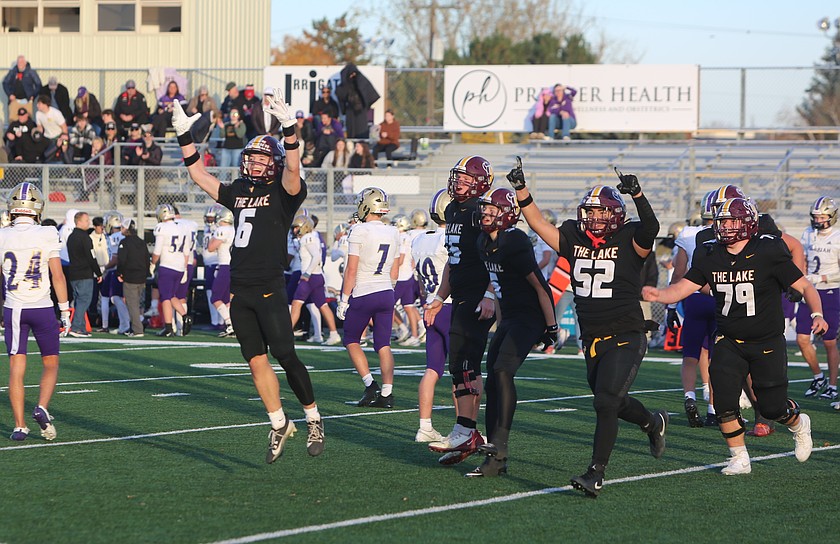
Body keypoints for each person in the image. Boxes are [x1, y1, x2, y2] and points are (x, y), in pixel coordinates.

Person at [170, 90, 325, 460]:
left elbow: (292, 170)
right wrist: (183, 135)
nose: (254, 164)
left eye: (260, 159)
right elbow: (197, 174)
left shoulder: (285, 191)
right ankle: (278, 423)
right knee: (256, 360)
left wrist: (290, 132)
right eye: (250, 158)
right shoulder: (239, 191)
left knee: (286, 355)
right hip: (241, 290)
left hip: (270, 287)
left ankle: (313, 417)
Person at [509, 160, 668, 497]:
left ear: (617, 216)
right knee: (611, 401)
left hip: (627, 333)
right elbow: (537, 222)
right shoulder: (573, 237)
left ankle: (596, 472)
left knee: (607, 401)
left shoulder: (630, 239)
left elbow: (651, 227)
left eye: (602, 214)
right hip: (593, 337)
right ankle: (653, 422)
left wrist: (637, 193)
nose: (594, 219)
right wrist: (521, 188)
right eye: (590, 213)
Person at [643, 197, 825, 475]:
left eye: (732, 221)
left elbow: (805, 286)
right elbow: (683, 288)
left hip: (766, 340)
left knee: (772, 407)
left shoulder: (768, 251)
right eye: (722, 221)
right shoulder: (710, 253)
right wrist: (660, 295)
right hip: (728, 338)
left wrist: (817, 314)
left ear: (748, 223)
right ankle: (739, 457)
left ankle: (800, 424)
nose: (725, 226)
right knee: (725, 402)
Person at [467, 187, 557, 477]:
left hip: (530, 317)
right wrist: (501, 323)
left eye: (492, 209)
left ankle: (500, 445)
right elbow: (500, 285)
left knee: (503, 371)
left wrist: (551, 327)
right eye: (485, 208)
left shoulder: (515, 240)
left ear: (507, 215)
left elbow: (539, 285)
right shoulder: (483, 241)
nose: (486, 213)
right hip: (509, 318)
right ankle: (496, 459)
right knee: (493, 379)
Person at [425, 156, 497, 465]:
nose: (459, 183)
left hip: (480, 296)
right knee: (459, 364)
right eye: (458, 177)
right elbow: (453, 262)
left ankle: (466, 430)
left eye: (467, 178)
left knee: (466, 362)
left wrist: (490, 293)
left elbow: (497, 253)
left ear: (480, 183)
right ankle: (467, 434)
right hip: (461, 296)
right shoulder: (453, 209)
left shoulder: (481, 212)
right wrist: (440, 297)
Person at [0, 183, 70, 441]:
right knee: (50, 363)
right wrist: (64, 311)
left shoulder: (2, 235)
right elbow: (58, 275)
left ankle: (19, 426)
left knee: (16, 368)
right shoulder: (48, 232)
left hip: (14, 308)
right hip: (42, 307)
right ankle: (41, 406)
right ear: (37, 207)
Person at [336, 187, 400, 408]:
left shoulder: (360, 230)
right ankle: (387, 393)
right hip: (386, 291)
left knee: (351, 339)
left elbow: (351, 270)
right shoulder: (393, 231)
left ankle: (370, 384)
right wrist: (389, 289)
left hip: (364, 291)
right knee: (383, 344)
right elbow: (395, 269)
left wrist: (344, 299)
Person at [668, 191, 718, 428]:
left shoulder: (687, 234)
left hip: (693, 298)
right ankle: (713, 409)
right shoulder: (727, 234)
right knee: (718, 358)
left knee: (690, 355)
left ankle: (690, 397)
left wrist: (670, 306)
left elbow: (678, 273)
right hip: (720, 299)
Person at [412, 189, 452, 442]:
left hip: (429, 307)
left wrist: (428, 301)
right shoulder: (450, 238)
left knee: (432, 369)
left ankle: (424, 426)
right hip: (448, 306)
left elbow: (418, 279)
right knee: (463, 372)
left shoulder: (418, 239)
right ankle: (465, 428)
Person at [799, 197, 840, 402]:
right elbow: (803, 260)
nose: (818, 220)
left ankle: (832, 385)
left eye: (822, 216)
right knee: (802, 338)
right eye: (816, 216)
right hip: (809, 290)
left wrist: (822, 277)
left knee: (829, 341)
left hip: (830, 291)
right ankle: (818, 376)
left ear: (832, 216)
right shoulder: (808, 233)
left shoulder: (838, 237)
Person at [289, 215, 342, 346]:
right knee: (322, 306)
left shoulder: (308, 238)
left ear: (304, 227)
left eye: (296, 227)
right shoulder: (310, 237)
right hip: (316, 276)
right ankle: (333, 334)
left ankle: (286, 334)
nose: (294, 230)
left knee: (296, 304)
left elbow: (316, 257)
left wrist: (306, 273)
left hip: (310, 277)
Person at [151, 203, 192, 338]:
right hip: (180, 266)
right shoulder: (183, 227)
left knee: (165, 297)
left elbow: (157, 251)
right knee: (172, 294)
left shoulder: (162, 227)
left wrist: (152, 263)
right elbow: (187, 251)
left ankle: (168, 327)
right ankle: (186, 316)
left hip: (167, 266)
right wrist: (185, 268)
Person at [66, 211, 102, 337]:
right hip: (84, 274)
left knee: (78, 300)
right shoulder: (85, 237)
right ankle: (77, 327)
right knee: (84, 301)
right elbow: (91, 257)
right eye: (86, 220)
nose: (89, 222)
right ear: (79, 222)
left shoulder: (71, 237)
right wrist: (98, 273)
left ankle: (80, 326)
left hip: (74, 274)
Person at [391, 214, 422, 347]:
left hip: (401, 277)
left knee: (386, 306)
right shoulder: (407, 237)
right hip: (408, 275)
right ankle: (413, 335)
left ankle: (402, 329)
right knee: (409, 306)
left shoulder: (402, 238)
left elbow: (401, 259)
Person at [116, 217, 150, 337]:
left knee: (132, 304)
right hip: (141, 277)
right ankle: (136, 327)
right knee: (137, 304)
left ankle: (137, 329)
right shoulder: (141, 242)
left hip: (130, 277)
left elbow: (122, 260)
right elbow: (147, 259)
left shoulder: (124, 243)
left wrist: (119, 273)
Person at [206, 206, 235, 338]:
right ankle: (232, 324)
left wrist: (213, 236)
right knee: (226, 299)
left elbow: (211, 248)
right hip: (234, 267)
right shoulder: (234, 230)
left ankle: (230, 324)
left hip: (225, 266)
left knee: (215, 297)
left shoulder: (222, 230)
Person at [336, 63, 380, 139]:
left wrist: (365, 104)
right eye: (351, 74)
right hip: (350, 111)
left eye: (354, 74)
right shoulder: (345, 86)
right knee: (351, 131)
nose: (353, 76)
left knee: (362, 130)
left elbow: (368, 92)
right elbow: (341, 95)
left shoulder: (360, 80)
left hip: (361, 110)